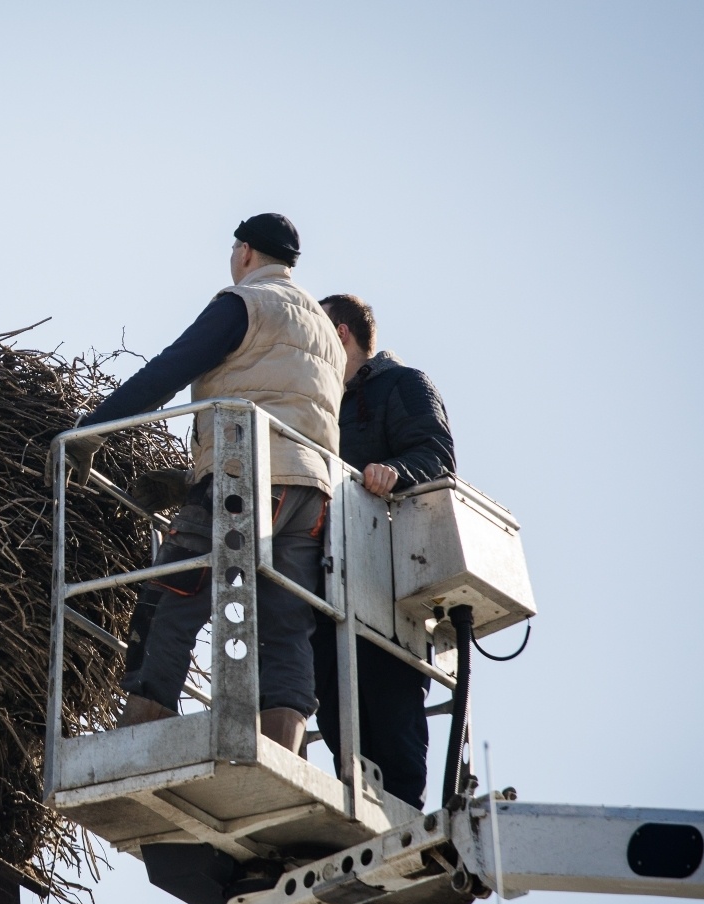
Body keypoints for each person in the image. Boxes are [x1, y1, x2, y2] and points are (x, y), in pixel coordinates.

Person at [62, 214, 345, 753]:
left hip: (246, 476)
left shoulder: (246, 302)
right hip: (311, 495)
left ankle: (138, 745)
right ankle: (282, 752)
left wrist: (89, 433)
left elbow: (170, 369)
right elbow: (291, 402)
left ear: (244, 253)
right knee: (286, 627)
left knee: (173, 596)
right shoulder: (326, 334)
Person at [311, 294, 455, 808]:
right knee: (334, 711)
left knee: (390, 703)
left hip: (388, 579)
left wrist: (396, 472)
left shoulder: (403, 384)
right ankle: (359, 811)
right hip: (328, 582)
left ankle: (405, 818)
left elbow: (436, 454)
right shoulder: (322, 399)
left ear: (342, 334)